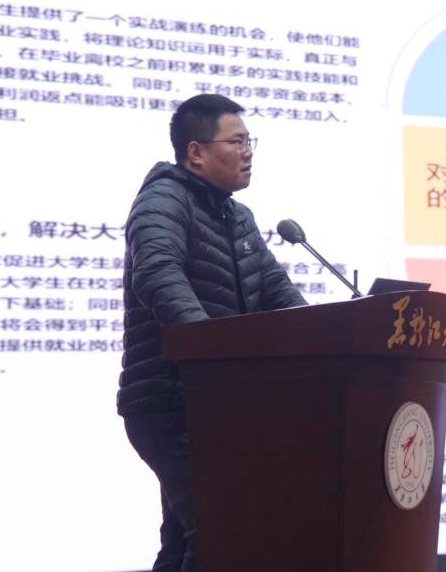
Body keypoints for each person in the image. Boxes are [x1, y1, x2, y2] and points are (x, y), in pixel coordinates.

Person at [117, 93, 307, 572]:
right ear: (196, 152)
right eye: (237, 141)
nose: (248, 152)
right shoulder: (163, 200)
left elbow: (278, 292)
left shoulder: (238, 216)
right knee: (224, 532)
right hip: (171, 401)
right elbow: (157, 273)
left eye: (250, 141)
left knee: (187, 542)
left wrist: (334, 337)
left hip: (217, 402)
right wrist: (211, 353)